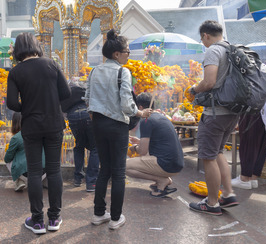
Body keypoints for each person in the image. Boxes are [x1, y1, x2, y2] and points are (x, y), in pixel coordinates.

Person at [85, 29, 151, 230]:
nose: (128, 54)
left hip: (98, 123)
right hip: (117, 125)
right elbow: (126, 105)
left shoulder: (95, 71)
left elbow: (87, 98)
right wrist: (140, 114)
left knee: (104, 168)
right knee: (119, 171)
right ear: (117, 54)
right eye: (127, 51)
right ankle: (115, 218)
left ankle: (98, 214)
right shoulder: (124, 72)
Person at [7, 32, 71, 234]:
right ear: (36, 46)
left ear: (17, 50)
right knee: (53, 170)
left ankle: (36, 221)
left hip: (31, 126)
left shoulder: (16, 72)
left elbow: (11, 103)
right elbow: (66, 93)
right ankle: (54, 218)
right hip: (54, 123)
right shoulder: (51, 64)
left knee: (35, 172)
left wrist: (26, 105)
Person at [188, 20, 240, 216]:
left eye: (202, 39)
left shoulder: (213, 51)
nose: (203, 43)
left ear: (206, 36)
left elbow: (209, 82)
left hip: (215, 112)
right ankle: (228, 193)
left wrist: (193, 89)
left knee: (208, 158)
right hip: (232, 112)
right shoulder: (232, 49)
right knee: (218, 152)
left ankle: (211, 203)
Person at [126, 93, 184, 197]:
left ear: (140, 107)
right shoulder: (161, 117)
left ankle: (161, 180)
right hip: (177, 164)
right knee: (145, 156)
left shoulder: (146, 120)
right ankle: (162, 179)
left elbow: (142, 151)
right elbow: (159, 141)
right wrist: (139, 141)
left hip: (166, 164)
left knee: (124, 166)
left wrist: (133, 148)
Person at [233, 72, 266, 189]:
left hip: (254, 110)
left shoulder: (249, 76)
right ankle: (253, 178)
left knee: (249, 145)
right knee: (261, 145)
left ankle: (245, 179)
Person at [61, 77, 99, 192]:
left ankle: (78, 178)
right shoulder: (86, 89)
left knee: (79, 146)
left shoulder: (68, 92)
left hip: (73, 116)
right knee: (95, 148)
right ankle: (91, 182)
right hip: (87, 114)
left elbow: (63, 110)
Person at [4, 112, 46, 192]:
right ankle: (43, 181)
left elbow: (7, 158)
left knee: (8, 158)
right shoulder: (40, 133)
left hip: (27, 174)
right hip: (44, 172)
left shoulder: (16, 138)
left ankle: (19, 181)